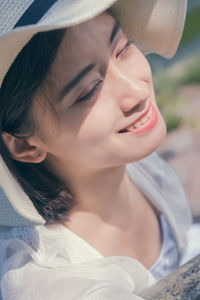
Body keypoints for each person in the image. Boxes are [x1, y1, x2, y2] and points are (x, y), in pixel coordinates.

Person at [0, 0, 198, 299]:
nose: (137, 91)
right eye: (90, 89)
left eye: (123, 48)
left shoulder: (131, 166)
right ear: (26, 144)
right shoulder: (56, 284)